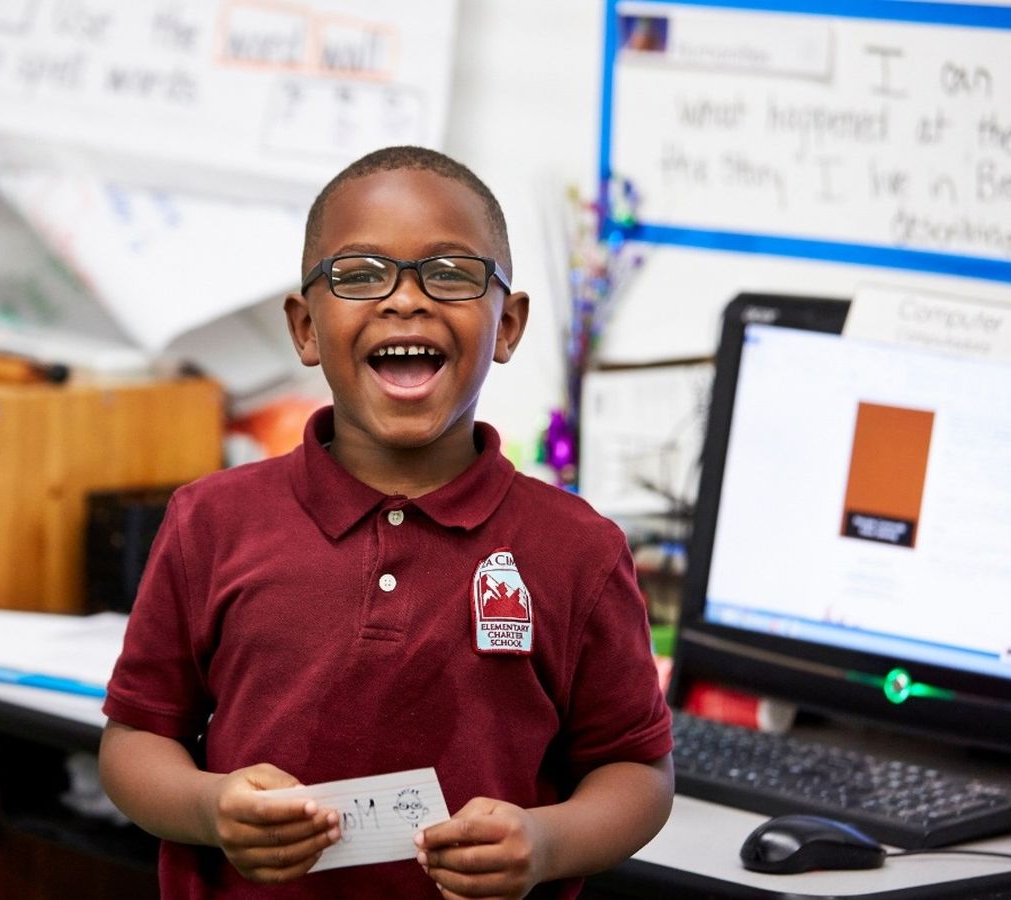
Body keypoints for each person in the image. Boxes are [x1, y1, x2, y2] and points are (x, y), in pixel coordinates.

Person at [99, 145, 674, 899]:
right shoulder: (210, 522)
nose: (406, 300)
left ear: (507, 325)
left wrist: (544, 843)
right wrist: (210, 808)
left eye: (452, 273)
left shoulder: (577, 551)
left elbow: (638, 771)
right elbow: (136, 740)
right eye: (361, 274)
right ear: (305, 328)